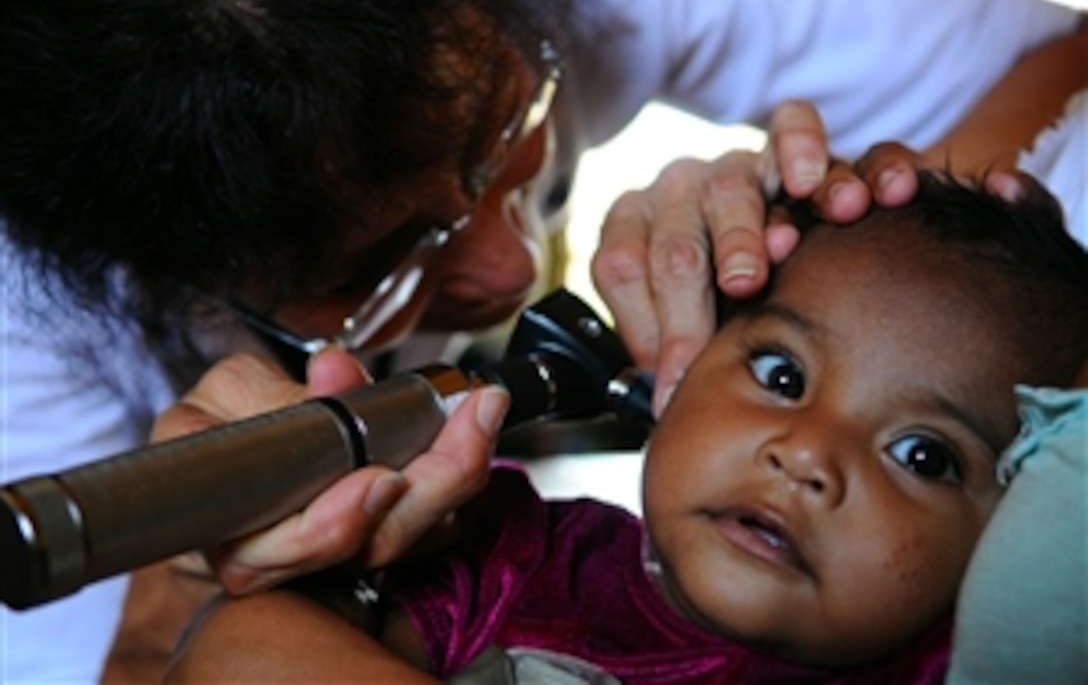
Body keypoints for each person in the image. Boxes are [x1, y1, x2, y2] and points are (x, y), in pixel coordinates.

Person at [1, 0, 1084, 681]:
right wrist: (183, 590)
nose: (515, 267)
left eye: (500, 135)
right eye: (379, 261)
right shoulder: (31, 335)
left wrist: (894, 263)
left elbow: (1060, 57)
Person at [164, 172, 1088, 682]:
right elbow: (234, 654)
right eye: (780, 374)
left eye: (923, 455)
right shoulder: (515, 554)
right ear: (674, 372)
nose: (808, 453)